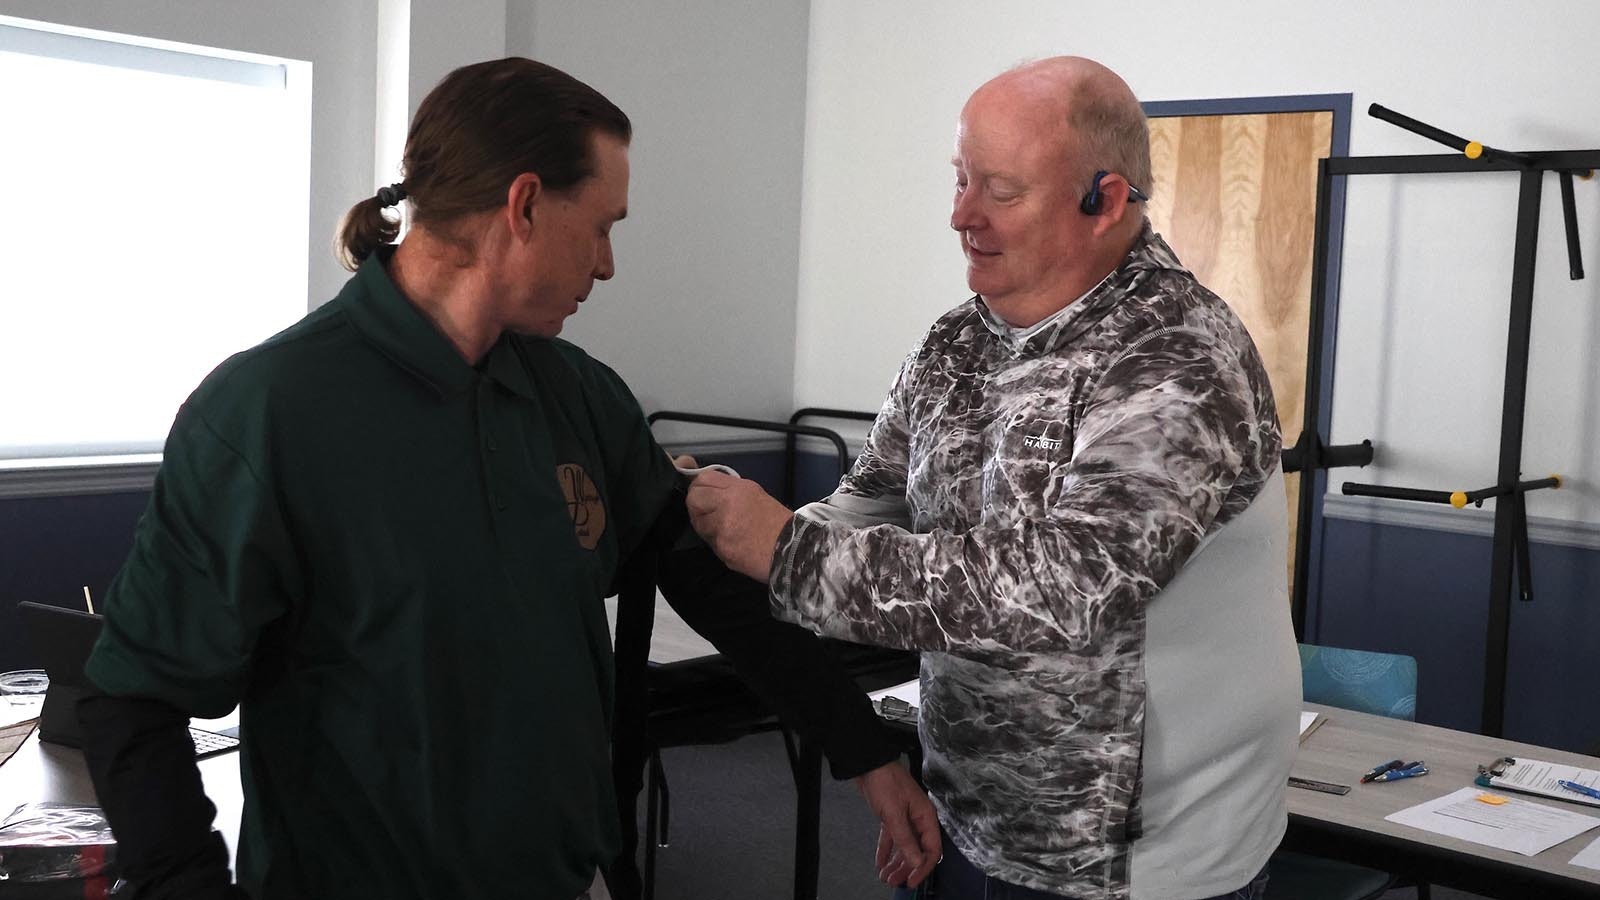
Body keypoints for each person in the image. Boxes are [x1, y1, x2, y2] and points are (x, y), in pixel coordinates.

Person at [76, 57, 937, 900]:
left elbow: (709, 578)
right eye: (602, 226)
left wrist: (859, 746)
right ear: (523, 205)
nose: (607, 264)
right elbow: (130, 701)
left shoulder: (576, 393)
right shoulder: (267, 413)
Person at [685, 56, 1300, 900]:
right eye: (960, 179)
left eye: (1000, 191)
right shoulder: (955, 346)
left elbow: (1067, 590)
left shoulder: (1176, 355)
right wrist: (715, 524)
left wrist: (787, 554)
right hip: (972, 816)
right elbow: (866, 505)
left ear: (1105, 200)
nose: (961, 215)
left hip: (1137, 864)